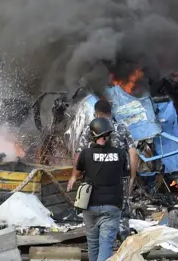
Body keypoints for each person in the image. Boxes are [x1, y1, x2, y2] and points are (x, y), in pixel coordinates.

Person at [74, 99, 138, 240]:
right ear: (110, 112)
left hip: (95, 177)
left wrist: (77, 174)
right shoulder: (121, 128)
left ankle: (100, 242)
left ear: (96, 114)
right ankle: (123, 243)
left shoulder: (89, 130)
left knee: (97, 209)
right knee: (121, 210)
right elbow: (133, 153)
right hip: (121, 177)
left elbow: (79, 154)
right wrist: (132, 177)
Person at [67, 117, 127, 261]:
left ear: (93, 135)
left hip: (90, 206)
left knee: (93, 245)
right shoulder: (120, 154)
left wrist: (73, 178)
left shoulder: (85, 154)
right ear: (108, 135)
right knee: (105, 246)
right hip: (112, 206)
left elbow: (78, 170)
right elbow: (124, 172)